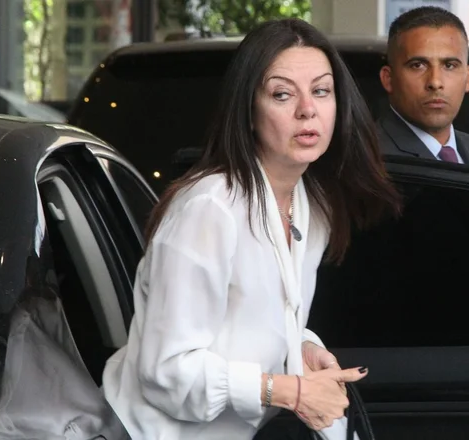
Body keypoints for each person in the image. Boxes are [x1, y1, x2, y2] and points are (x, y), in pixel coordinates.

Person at [101, 18, 401, 440]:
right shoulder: (211, 209)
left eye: (321, 91)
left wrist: (300, 349)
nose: (307, 109)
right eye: (282, 94)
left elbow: (253, 324)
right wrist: (288, 390)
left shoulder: (310, 204)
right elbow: (165, 372)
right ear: (249, 111)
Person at [377, 6, 469, 169]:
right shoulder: (369, 157)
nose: (435, 82)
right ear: (388, 79)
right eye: (418, 65)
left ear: (468, 78)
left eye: (449, 65)